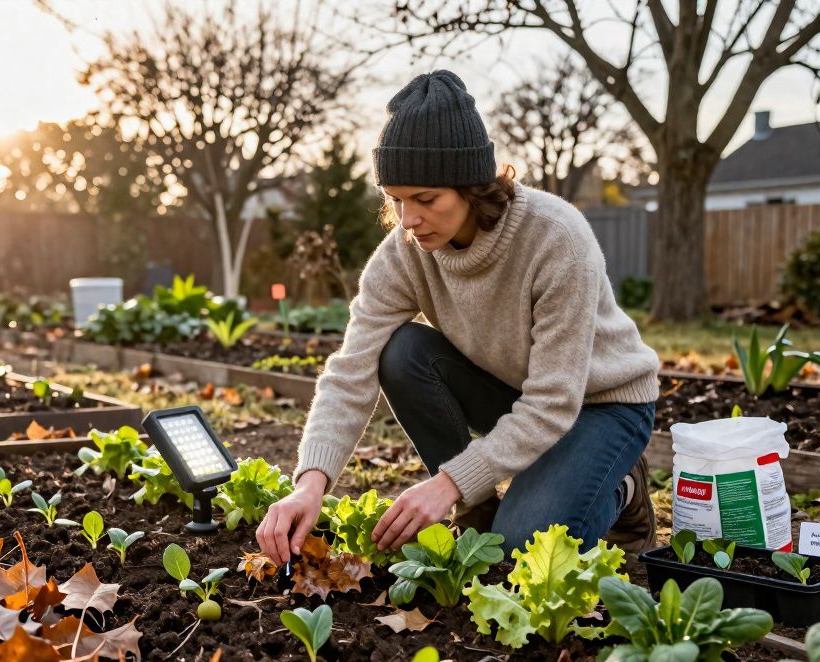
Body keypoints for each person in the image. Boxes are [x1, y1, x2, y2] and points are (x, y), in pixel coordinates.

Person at [255, 70, 661, 566]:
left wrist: (447, 483)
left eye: (426, 200)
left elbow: (555, 400)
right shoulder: (404, 254)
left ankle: (623, 490)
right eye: (395, 199)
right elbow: (349, 371)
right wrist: (310, 483)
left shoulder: (557, 239)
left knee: (523, 552)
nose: (408, 220)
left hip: (600, 405)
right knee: (402, 351)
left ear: (473, 186)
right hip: (515, 394)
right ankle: (478, 513)